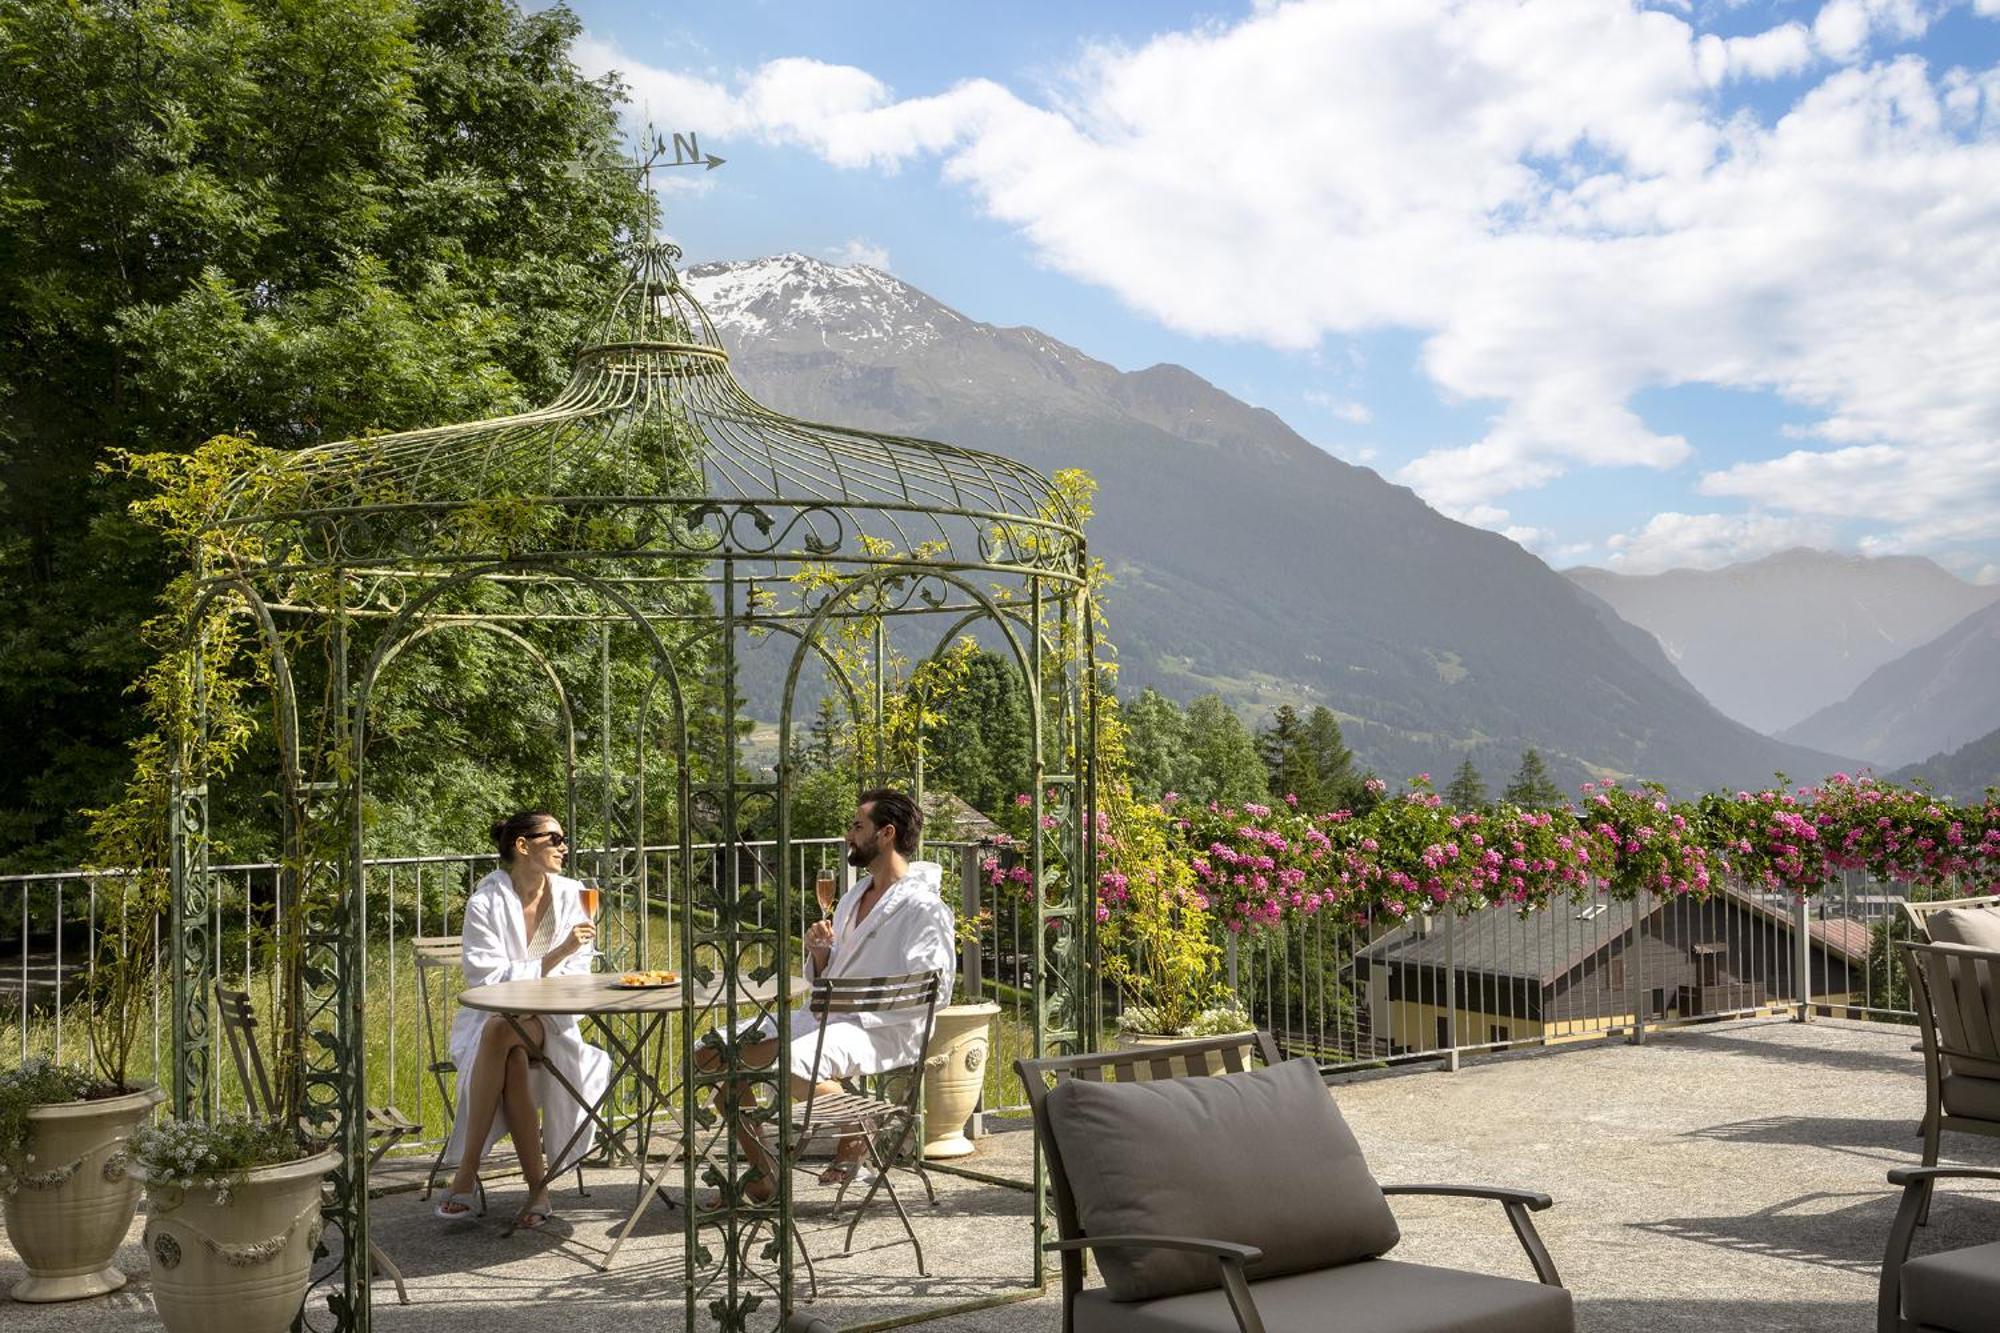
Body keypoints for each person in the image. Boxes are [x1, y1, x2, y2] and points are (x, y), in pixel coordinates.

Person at [689, 788, 955, 1204]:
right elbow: (828, 976)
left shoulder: (924, 907)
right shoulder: (853, 896)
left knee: (792, 1063)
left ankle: (857, 1126)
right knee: (710, 1052)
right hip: (827, 1017)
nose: (849, 834)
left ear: (886, 833)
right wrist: (820, 954)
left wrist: (849, 997)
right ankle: (764, 1173)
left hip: (884, 1026)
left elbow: (934, 988)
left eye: (857, 826)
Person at [434, 811, 609, 1228]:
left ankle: (466, 1174)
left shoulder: (574, 896)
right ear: (523, 845)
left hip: (551, 1020)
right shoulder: (485, 904)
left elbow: (577, 975)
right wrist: (556, 954)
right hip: (492, 1018)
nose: (564, 846)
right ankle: (538, 1191)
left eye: (565, 838)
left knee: (503, 1031)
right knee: (506, 1045)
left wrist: (544, 979)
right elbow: (484, 980)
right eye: (555, 839)